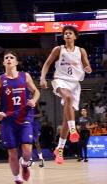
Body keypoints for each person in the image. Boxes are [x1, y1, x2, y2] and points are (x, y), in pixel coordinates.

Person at [39, 26, 92, 164]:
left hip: (75, 84)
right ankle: (74, 130)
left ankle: (60, 148)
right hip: (60, 80)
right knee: (67, 97)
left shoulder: (81, 51)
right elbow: (47, 64)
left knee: (66, 122)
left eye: (70, 33)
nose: (67, 35)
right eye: (65, 33)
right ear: (63, 37)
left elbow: (88, 67)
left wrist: (88, 68)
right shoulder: (58, 49)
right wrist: (43, 78)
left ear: (75, 36)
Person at [0, 51, 40, 184]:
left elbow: (36, 91)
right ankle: (17, 178)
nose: (8, 59)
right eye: (6, 58)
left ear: (16, 62)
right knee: (12, 152)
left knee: (27, 150)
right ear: (3, 62)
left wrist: (34, 100)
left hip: (25, 117)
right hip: (8, 119)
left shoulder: (25, 76)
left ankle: (24, 164)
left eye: (11, 57)